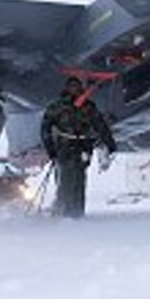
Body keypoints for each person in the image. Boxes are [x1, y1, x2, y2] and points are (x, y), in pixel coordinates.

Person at [40, 76, 117, 218]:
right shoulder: (57, 107)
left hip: (83, 147)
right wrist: (50, 149)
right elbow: (45, 128)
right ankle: (63, 211)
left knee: (80, 180)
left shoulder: (88, 106)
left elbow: (101, 126)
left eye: (76, 86)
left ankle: (77, 213)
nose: (74, 89)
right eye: (71, 86)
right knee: (66, 179)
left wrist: (110, 143)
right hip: (64, 147)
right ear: (66, 88)